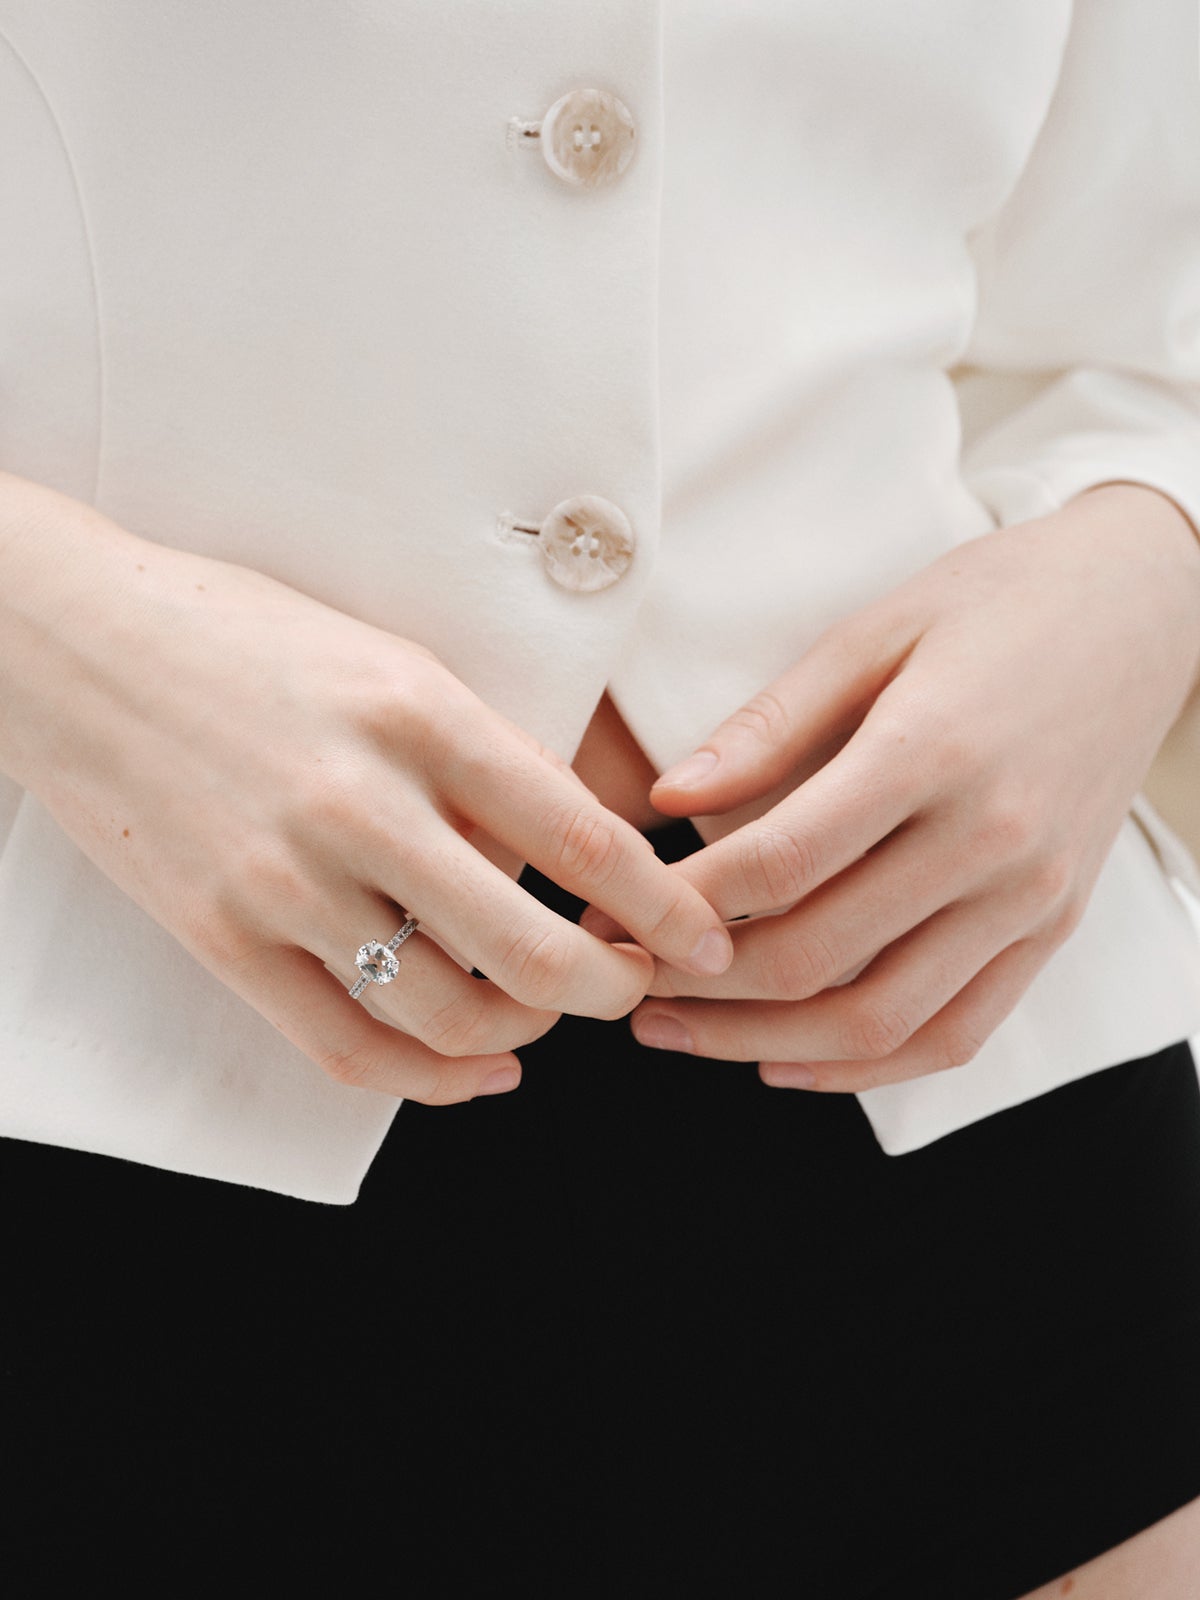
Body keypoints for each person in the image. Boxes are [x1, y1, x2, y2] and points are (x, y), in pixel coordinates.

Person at [3, 1, 1200, 1593]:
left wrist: (1143, 558)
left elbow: (1144, 298)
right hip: (100, 1109)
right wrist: (44, 634)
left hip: (988, 1078)